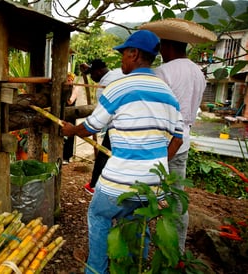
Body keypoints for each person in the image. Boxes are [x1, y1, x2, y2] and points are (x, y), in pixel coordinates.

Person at [61, 30, 184, 274]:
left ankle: (96, 269)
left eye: (123, 55)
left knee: (98, 215)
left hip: (119, 180)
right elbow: (178, 139)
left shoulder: (119, 87)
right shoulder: (168, 93)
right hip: (152, 183)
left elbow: (91, 126)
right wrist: (156, 164)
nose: (121, 60)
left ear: (134, 54)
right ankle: (131, 267)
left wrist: (70, 130)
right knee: (137, 226)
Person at [154, 39, 206, 253]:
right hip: (183, 139)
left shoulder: (163, 71)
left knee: (141, 194)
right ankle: (177, 252)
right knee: (177, 199)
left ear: (168, 46)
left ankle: (139, 246)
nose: (159, 51)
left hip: (160, 142)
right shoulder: (198, 72)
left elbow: (153, 108)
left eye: (161, 47)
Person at [79, 59, 123, 194]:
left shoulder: (103, 87)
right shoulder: (117, 72)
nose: (91, 78)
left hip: (117, 125)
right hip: (130, 121)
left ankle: (94, 184)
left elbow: (100, 120)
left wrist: (76, 130)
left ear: (98, 72)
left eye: (92, 74)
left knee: (103, 154)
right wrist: (86, 70)